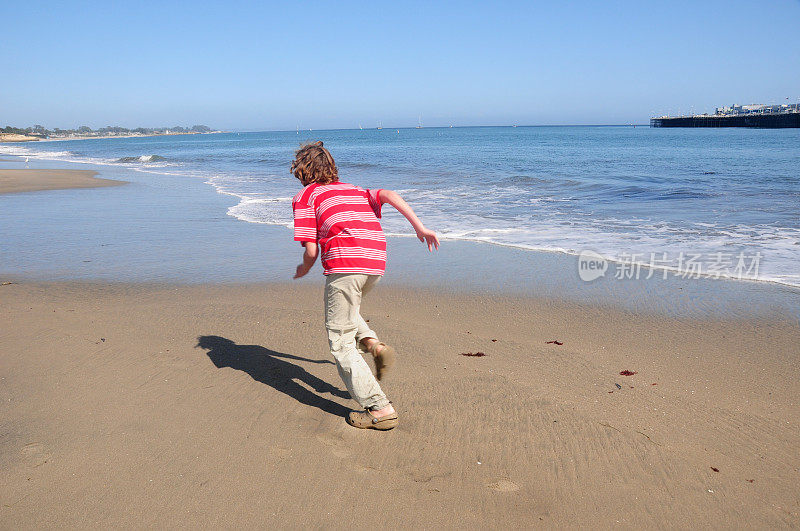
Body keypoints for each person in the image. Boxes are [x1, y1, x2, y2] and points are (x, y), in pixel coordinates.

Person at [291, 141, 439, 430]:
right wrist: (420, 228)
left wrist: (303, 268)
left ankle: (380, 409)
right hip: (375, 261)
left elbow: (311, 251)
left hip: (345, 263)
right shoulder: (354, 189)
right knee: (346, 312)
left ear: (302, 171)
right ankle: (373, 345)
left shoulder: (305, 196)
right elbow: (388, 194)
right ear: (331, 167)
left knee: (340, 341)